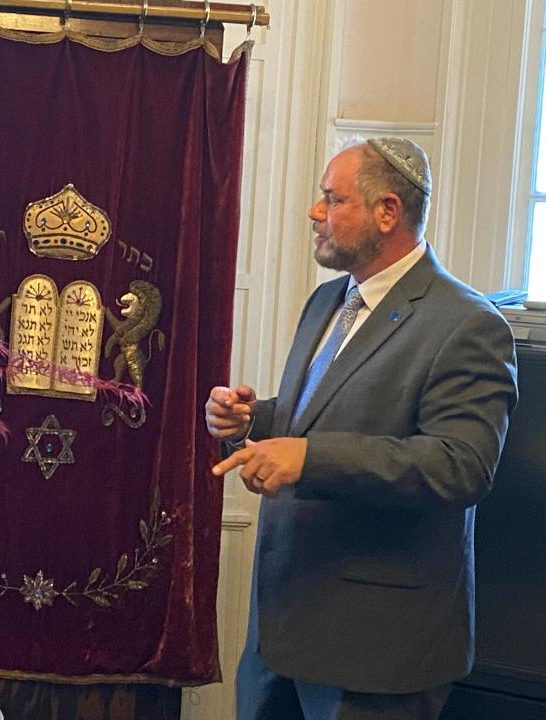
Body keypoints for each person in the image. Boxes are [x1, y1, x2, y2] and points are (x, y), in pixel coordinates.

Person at [205, 137, 518, 720]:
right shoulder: (328, 301)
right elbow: (322, 414)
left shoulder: (470, 324)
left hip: (376, 655)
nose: (314, 212)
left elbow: (461, 465)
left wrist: (310, 458)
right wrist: (249, 420)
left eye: (333, 198)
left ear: (387, 212)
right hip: (278, 638)